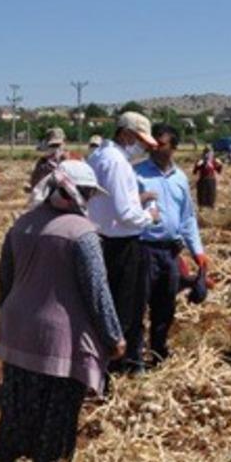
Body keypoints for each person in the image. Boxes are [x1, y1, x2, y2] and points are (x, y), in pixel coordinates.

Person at [0, 161, 125, 462]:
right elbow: (96, 290)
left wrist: (9, 314)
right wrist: (113, 336)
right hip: (61, 334)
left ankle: (5, 456)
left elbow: (4, 278)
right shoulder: (83, 234)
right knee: (60, 407)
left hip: (18, 326)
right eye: (88, 193)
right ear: (77, 192)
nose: (89, 199)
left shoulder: (22, 224)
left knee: (18, 398)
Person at [86, 111, 157, 374]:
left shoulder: (99, 156)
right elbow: (124, 214)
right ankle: (116, 369)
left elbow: (108, 203)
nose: (144, 149)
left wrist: (136, 200)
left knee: (107, 307)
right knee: (124, 311)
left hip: (103, 240)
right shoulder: (116, 163)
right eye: (142, 142)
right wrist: (149, 215)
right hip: (122, 247)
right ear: (126, 134)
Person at [134, 123, 208, 365]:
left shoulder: (180, 179)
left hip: (170, 250)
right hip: (143, 248)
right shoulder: (137, 174)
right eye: (152, 143)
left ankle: (158, 350)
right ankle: (133, 355)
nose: (155, 147)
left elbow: (187, 217)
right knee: (137, 304)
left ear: (174, 147)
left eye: (161, 144)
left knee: (165, 304)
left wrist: (198, 252)